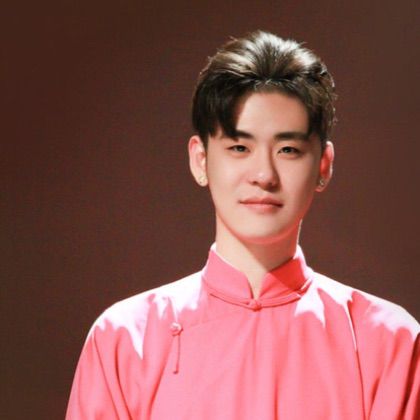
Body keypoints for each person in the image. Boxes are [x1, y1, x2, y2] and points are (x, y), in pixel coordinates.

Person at [66, 31, 419, 419]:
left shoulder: (388, 342)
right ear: (200, 160)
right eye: (239, 148)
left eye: (288, 150)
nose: (264, 174)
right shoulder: (125, 340)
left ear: (323, 165)